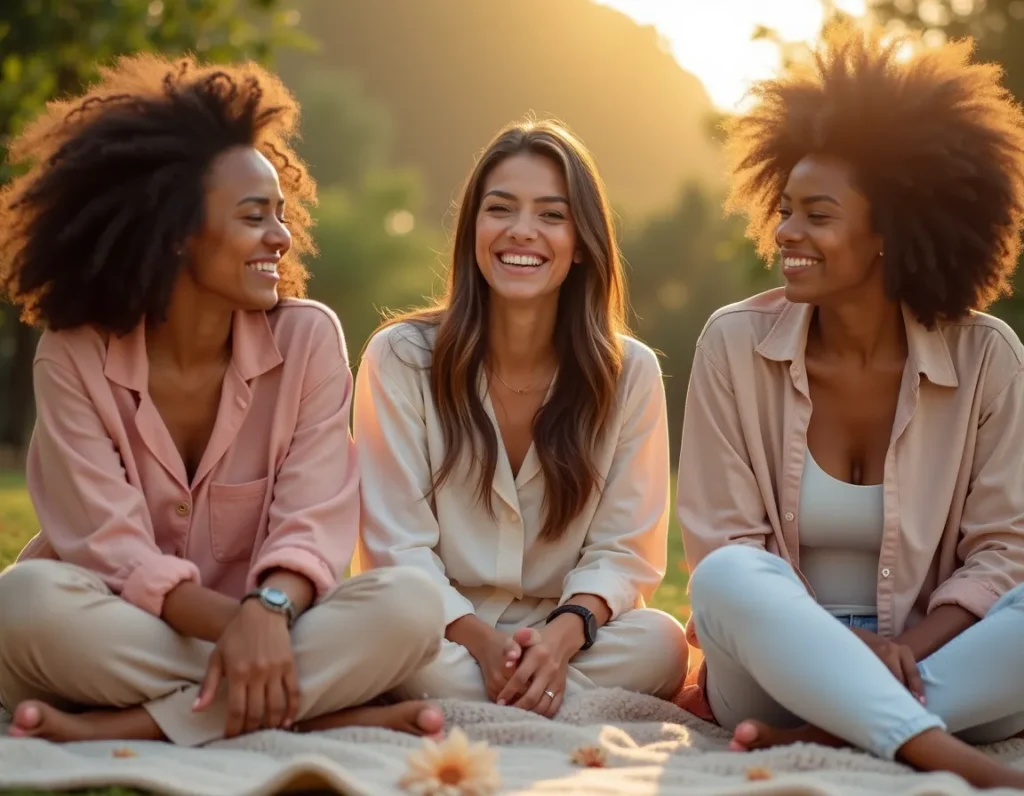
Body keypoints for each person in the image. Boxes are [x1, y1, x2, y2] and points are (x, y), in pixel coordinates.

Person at [0, 53, 446, 746]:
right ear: (177, 232)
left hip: (271, 623)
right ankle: (313, 708)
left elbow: (313, 519)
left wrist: (266, 613)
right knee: (22, 605)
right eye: (253, 216)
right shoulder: (72, 353)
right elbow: (109, 548)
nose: (282, 236)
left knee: (411, 608)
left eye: (280, 213)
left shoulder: (308, 340)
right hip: (117, 620)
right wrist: (238, 630)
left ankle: (142, 723)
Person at [674, 22, 1024, 790]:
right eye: (785, 207)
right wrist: (843, 654)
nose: (786, 231)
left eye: (817, 215)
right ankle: (952, 759)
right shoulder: (733, 345)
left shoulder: (987, 357)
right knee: (729, 575)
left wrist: (904, 650)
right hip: (771, 667)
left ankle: (822, 732)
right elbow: (727, 546)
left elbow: (1003, 551)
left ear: (889, 233)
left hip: (932, 660)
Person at [350, 119, 687, 717]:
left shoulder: (628, 371)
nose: (522, 232)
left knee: (660, 642)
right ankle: (549, 705)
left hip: (567, 635)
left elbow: (624, 551)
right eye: (500, 209)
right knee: (394, 633)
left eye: (551, 216)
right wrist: (482, 643)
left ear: (582, 241)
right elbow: (396, 547)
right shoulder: (400, 356)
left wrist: (558, 640)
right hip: (440, 629)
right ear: (473, 228)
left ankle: (501, 701)